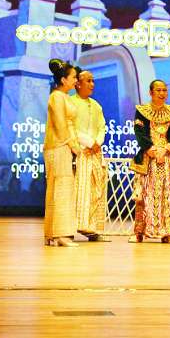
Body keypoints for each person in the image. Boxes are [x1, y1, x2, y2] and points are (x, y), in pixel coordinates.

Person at [129, 80, 170, 243]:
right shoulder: (142, 111)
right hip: (148, 158)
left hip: (166, 158)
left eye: (164, 90)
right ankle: (140, 232)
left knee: (167, 195)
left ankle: (167, 233)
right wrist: (150, 149)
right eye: (158, 90)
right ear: (151, 92)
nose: (162, 93)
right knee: (143, 195)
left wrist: (166, 149)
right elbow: (140, 132)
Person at [43, 59, 80, 247]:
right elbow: (60, 124)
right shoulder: (57, 97)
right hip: (59, 146)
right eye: (73, 77)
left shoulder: (63, 96)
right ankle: (61, 234)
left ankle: (52, 233)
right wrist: (72, 145)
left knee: (59, 188)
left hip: (62, 146)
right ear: (64, 80)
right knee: (61, 188)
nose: (76, 80)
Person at [71, 69, 109, 242]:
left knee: (96, 191)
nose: (92, 84)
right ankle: (71, 227)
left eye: (93, 81)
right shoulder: (71, 103)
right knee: (77, 191)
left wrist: (97, 143)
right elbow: (71, 128)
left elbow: (102, 127)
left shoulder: (96, 105)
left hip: (94, 153)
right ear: (78, 84)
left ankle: (92, 229)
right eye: (88, 81)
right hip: (78, 152)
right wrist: (88, 142)